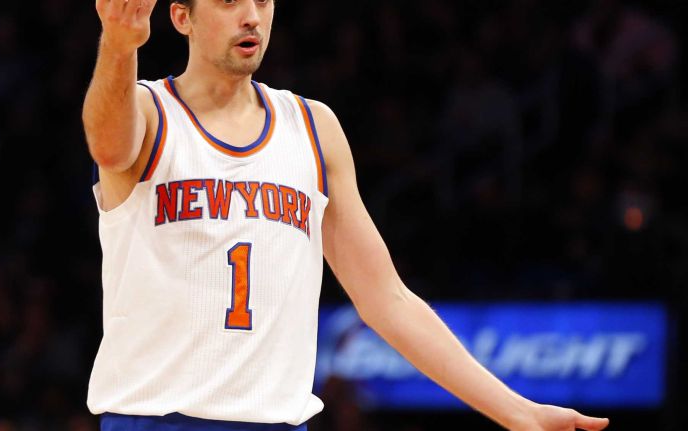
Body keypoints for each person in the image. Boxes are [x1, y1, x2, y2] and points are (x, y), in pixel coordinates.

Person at [82, 0, 611, 430]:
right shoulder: (150, 113)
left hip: (278, 422)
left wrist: (518, 414)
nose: (251, 16)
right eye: (228, 2)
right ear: (182, 17)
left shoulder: (313, 128)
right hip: (155, 419)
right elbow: (108, 146)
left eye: (263, 1)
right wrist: (119, 48)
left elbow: (387, 299)